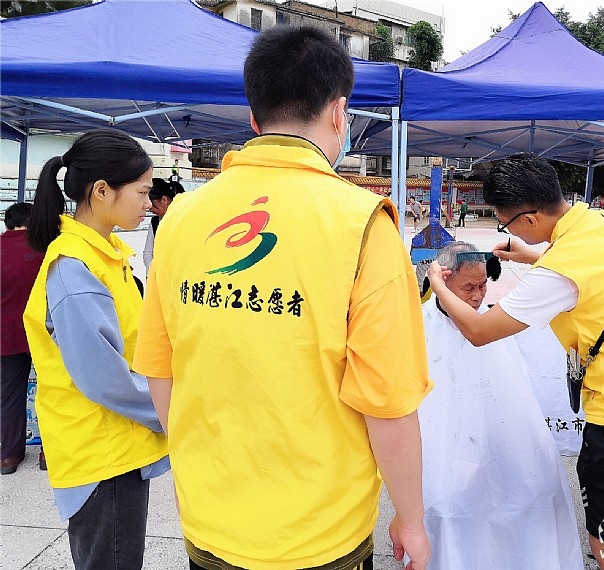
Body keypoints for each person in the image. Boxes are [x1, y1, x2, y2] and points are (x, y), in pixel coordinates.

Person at [132, 26, 432, 570]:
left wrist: (195, 469)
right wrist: (410, 517)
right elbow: (387, 403)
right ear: (339, 113)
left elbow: (160, 367)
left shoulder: (180, 218)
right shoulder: (363, 224)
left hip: (210, 519)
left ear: (254, 118)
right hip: (320, 532)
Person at [427, 153, 604, 569]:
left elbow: (479, 331)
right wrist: (532, 255)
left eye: (506, 224)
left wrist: (438, 285)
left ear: (529, 219)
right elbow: (593, 270)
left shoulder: (557, 272)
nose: (508, 232)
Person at [23, 129, 169, 570]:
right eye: (142, 192)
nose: (149, 203)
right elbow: (104, 378)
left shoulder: (107, 255)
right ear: (102, 191)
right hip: (103, 453)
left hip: (116, 445)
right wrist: (172, 411)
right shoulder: (76, 267)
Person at [419, 241, 584, 569]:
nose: (478, 296)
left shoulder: (491, 321)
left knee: (537, 490)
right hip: (447, 441)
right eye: (468, 288)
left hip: (498, 432)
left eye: (483, 286)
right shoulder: (420, 325)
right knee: (443, 500)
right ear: (444, 281)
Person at [1, 202, 44, 474]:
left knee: (8, 396)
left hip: (5, 335)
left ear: (8, 223)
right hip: (42, 332)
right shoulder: (44, 249)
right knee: (50, 391)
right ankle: (48, 453)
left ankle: (8, 456)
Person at [143, 178, 175, 271]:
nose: (150, 209)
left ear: (164, 199)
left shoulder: (183, 219)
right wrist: (153, 273)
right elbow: (148, 253)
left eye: (152, 205)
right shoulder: (155, 222)